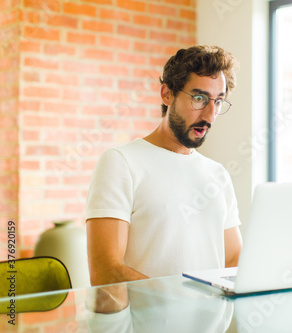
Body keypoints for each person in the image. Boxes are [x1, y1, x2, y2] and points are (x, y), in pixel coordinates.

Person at [86, 45, 243, 286]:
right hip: (147, 323)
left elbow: (233, 258)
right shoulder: (121, 163)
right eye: (199, 98)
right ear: (167, 94)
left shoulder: (218, 174)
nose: (210, 115)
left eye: (218, 101)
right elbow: (106, 270)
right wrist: (180, 300)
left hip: (211, 323)